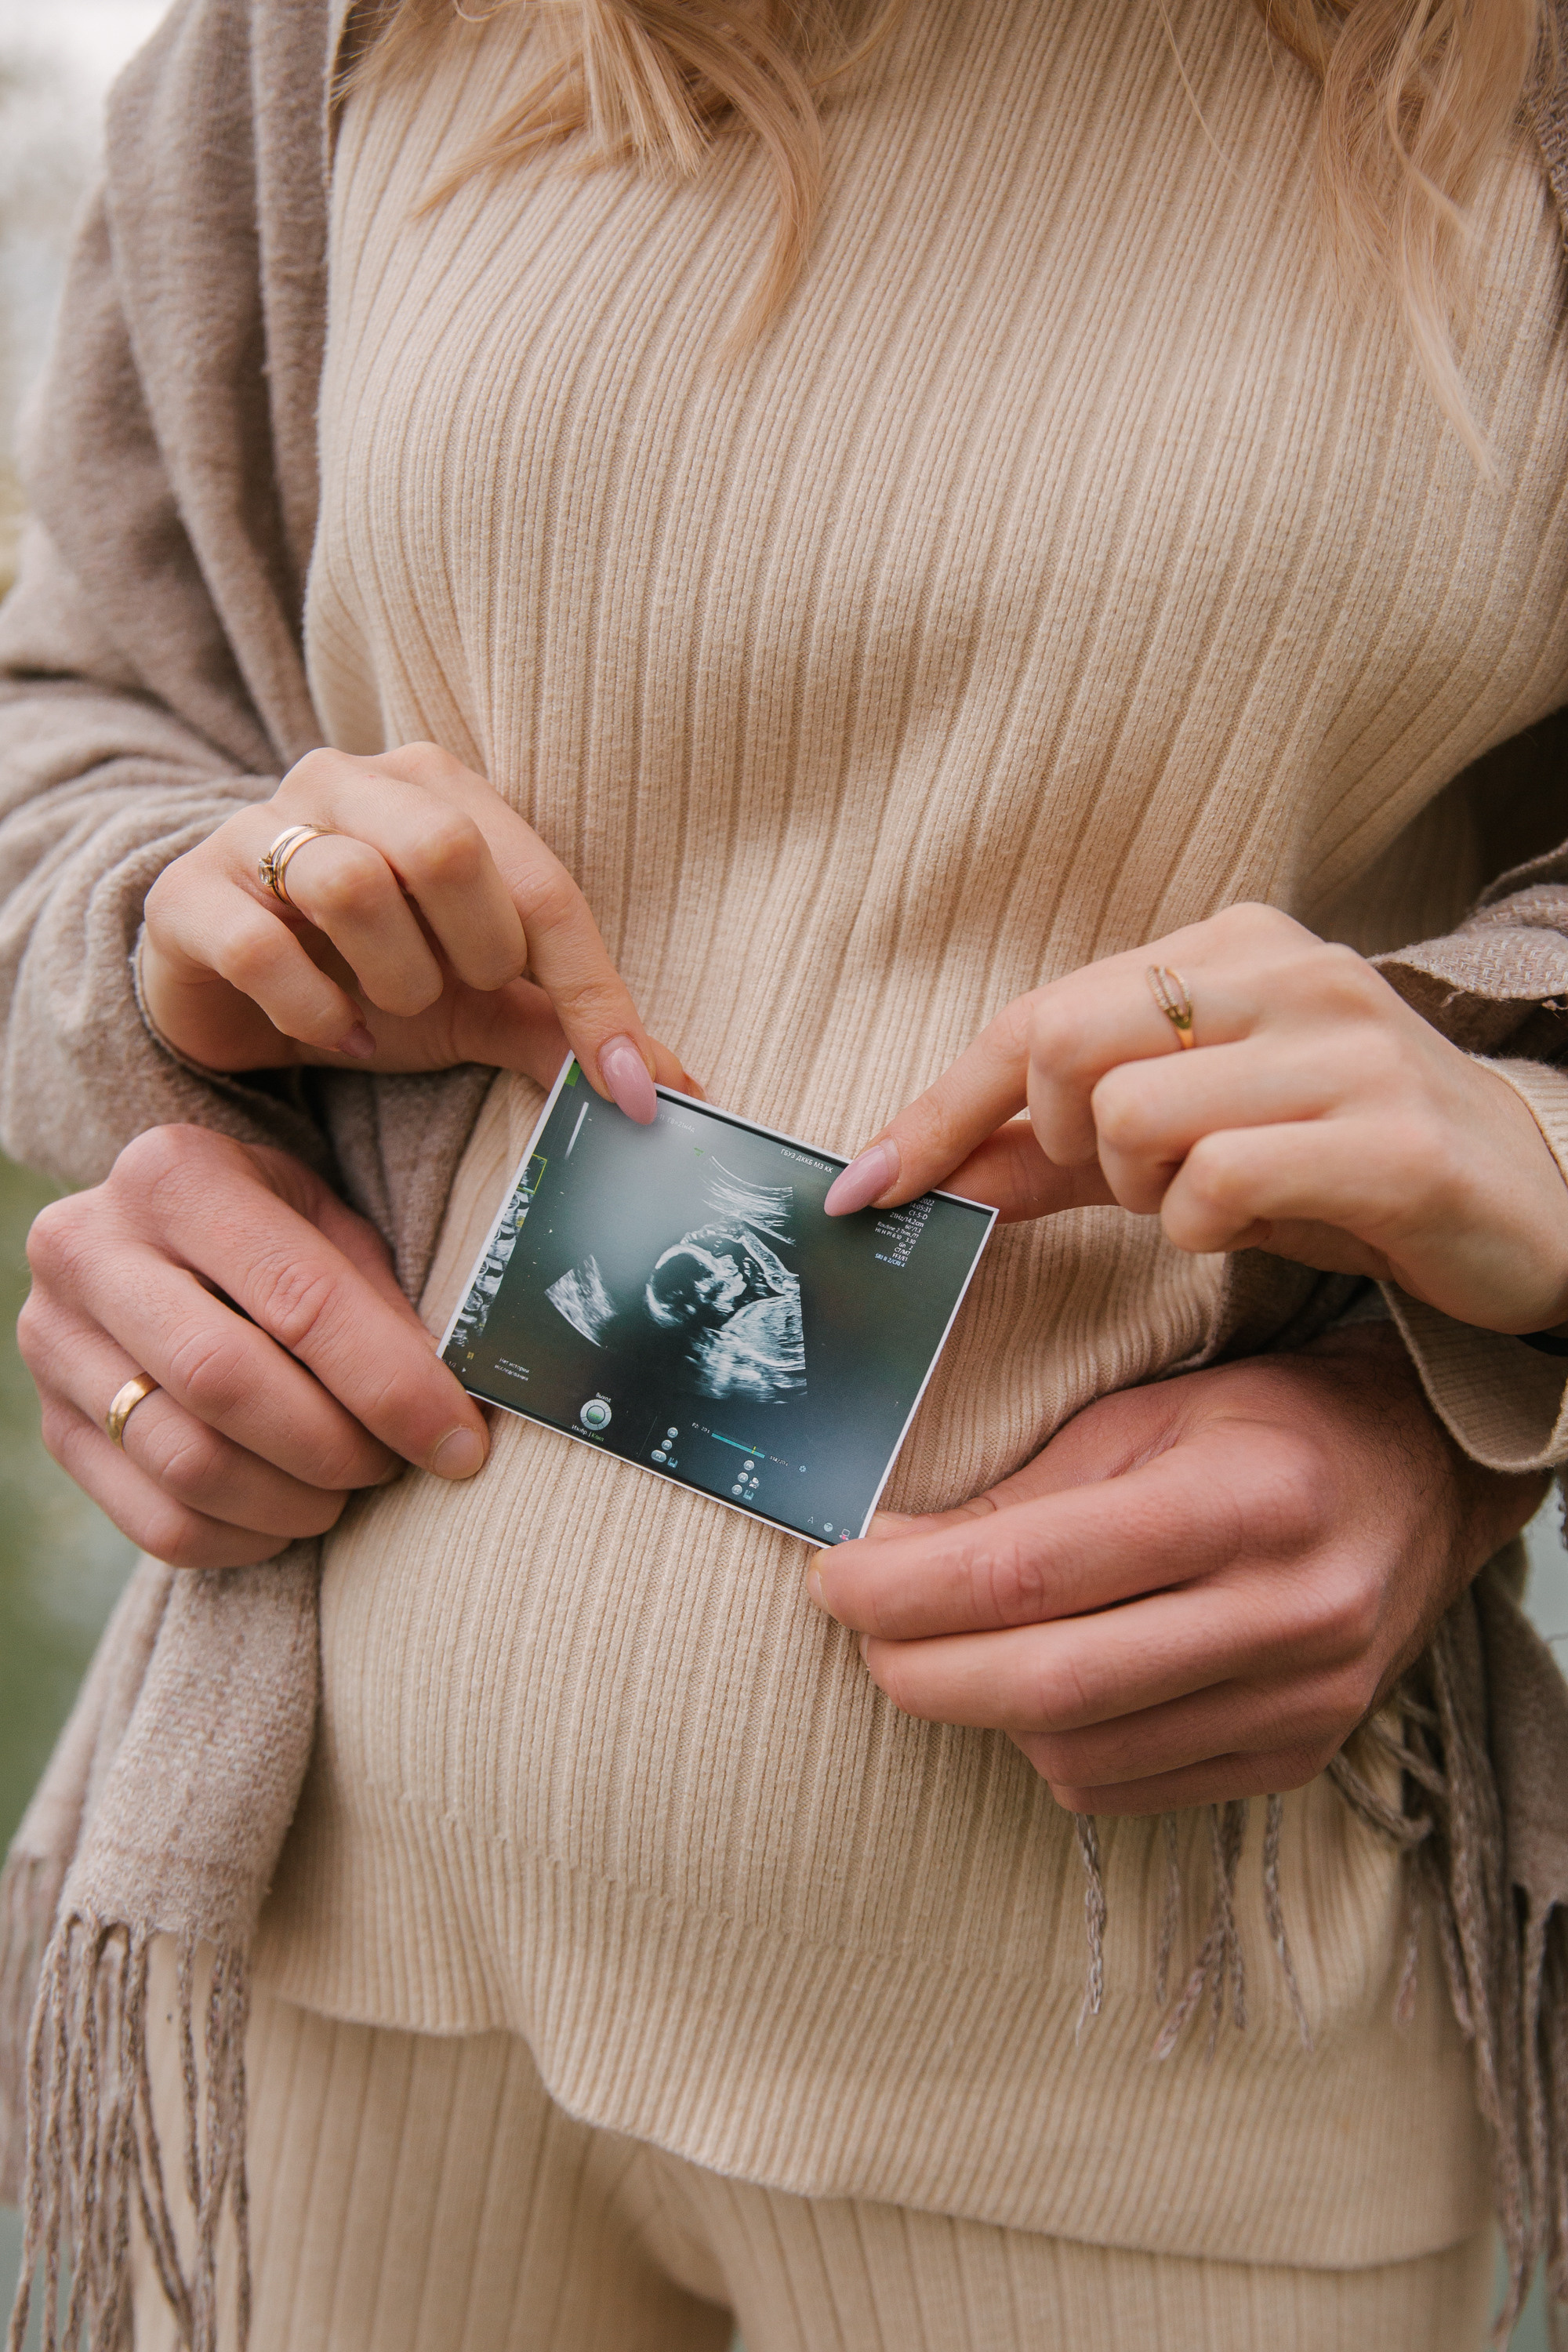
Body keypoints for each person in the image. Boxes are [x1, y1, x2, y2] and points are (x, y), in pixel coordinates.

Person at [4, 1, 1568, 2347]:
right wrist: (182, 956)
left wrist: (1510, 1213)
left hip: (1155, 2065)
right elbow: (77, 722)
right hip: (309, 1963)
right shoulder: (323, 37)